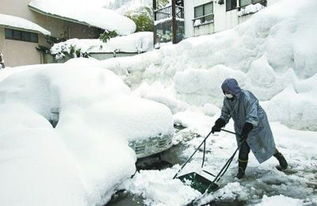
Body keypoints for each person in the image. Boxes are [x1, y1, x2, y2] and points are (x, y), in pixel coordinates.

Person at [211, 78, 288, 179]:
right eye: (224, 92)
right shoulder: (227, 100)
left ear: (233, 90)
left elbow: (252, 115)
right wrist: (219, 123)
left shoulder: (247, 97)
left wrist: (247, 128)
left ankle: (280, 158)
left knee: (265, 145)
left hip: (257, 125)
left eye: (227, 92)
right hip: (241, 125)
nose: (226, 94)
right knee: (243, 148)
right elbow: (225, 113)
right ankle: (241, 172)